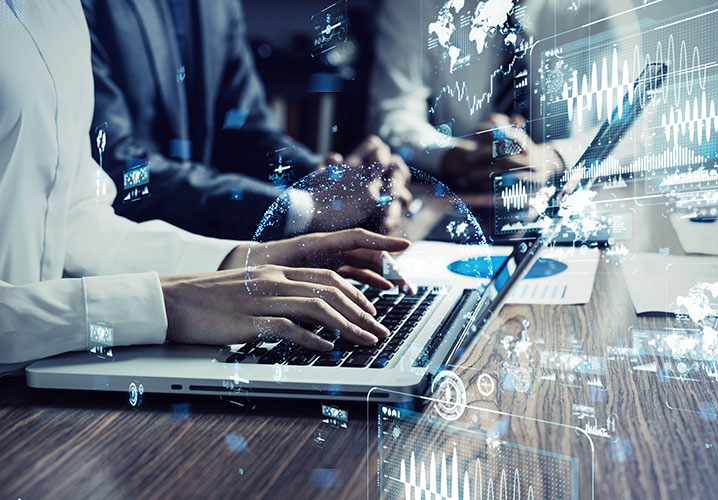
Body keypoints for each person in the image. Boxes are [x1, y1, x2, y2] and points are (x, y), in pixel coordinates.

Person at [0, 0, 411, 375]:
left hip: (41, 379)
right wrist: (164, 303)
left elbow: (72, 217)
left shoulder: (54, 10)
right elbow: (126, 168)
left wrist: (241, 262)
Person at [82, 0, 412, 239]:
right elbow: (114, 171)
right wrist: (304, 207)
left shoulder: (219, 7)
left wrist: (327, 179)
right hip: (123, 273)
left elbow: (244, 130)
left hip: (214, 261)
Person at [368, 0, 636, 191]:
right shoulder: (416, 5)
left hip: (570, 192)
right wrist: (453, 155)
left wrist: (554, 158)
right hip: (461, 192)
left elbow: (633, 130)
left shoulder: (603, 6)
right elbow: (394, 112)